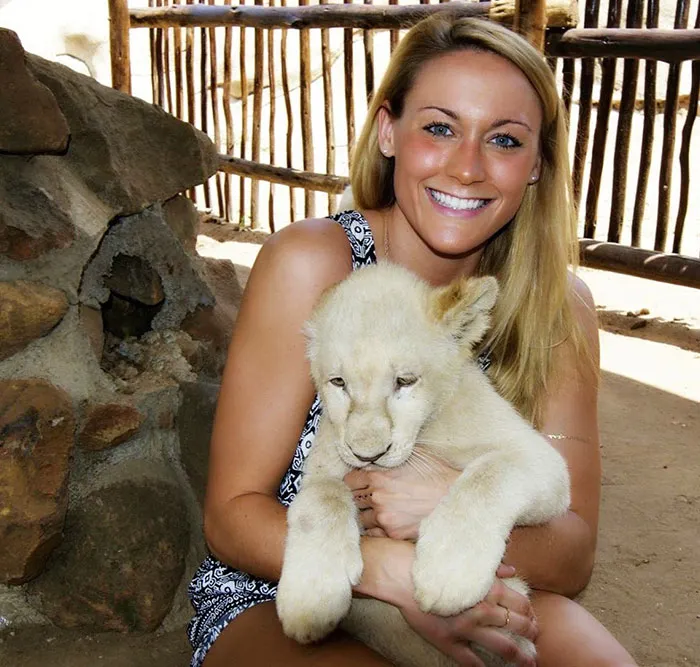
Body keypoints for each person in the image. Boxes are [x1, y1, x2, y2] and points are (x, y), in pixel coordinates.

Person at [187, 11, 638, 667]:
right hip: (287, 574)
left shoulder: (558, 308)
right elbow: (230, 517)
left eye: (504, 140)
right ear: (388, 132)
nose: (467, 167)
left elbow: (571, 554)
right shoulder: (314, 264)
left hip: (477, 560)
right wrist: (390, 570)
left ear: (537, 165)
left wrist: (448, 516)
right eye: (440, 128)